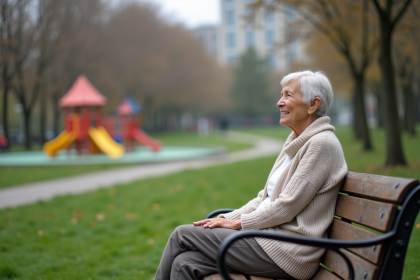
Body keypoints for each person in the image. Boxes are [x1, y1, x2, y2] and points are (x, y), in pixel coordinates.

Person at [154, 71, 348, 280]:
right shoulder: (296, 140)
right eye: (281, 94)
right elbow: (264, 198)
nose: (279, 102)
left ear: (313, 104)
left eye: (288, 95)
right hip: (268, 239)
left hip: (289, 252)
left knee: (181, 235)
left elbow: (286, 207)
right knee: (185, 263)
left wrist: (238, 224)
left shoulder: (321, 144)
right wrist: (227, 218)